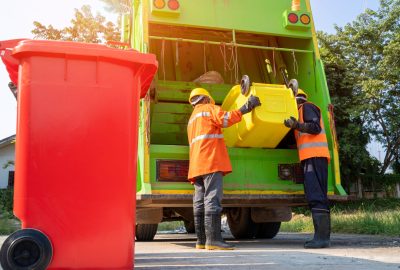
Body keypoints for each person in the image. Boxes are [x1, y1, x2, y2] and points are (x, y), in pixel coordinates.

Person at [187, 87, 261, 250]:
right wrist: (246, 107)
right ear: (206, 99)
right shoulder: (209, 109)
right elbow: (226, 119)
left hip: (196, 165)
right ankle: (213, 240)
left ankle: (201, 240)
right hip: (211, 160)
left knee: (199, 201)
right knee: (212, 198)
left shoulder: (192, 119)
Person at [283, 89, 331, 249]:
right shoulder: (300, 112)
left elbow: (315, 127)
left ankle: (322, 238)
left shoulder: (307, 107)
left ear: (296, 100)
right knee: (315, 195)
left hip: (315, 156)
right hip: (311, 157)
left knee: (316, 195)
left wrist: (297, 125)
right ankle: (321, 237)